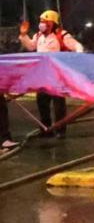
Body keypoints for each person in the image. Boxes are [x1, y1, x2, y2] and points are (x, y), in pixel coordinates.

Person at [20, 9, 84, 139]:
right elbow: (31, 47)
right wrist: (23, 35)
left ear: (52, 23)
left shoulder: (62, 35)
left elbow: (77, 47)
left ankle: (60, 130)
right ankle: (45, 129)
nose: (41, 24)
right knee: (42, 101)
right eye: (41, 21)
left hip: (57, 75)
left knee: (58, 103)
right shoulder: (38, 36)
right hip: (43, 75)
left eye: (45, 21)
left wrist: (78, 60)